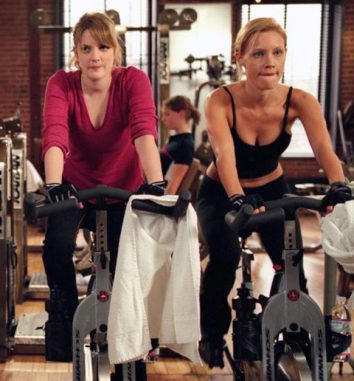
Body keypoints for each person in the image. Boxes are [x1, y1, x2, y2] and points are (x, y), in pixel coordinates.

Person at [197, 17, 351, 368]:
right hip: (221, 192)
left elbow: (326, 152)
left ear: (284, 57)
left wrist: (338, 185)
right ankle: (212, 334)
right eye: (259, 53)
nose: (269, 61)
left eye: (277, 53)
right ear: (240, 58)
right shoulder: (220, 101)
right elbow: (224, 156)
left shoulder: (300, 101)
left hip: (272, 190)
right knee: (223, 257)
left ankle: (299, 331)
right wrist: (237, 199)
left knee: (290, 259)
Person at [41, 12, 166, 362]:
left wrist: (155, 183)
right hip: (75, 186)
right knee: (56, 246)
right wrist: (53, 184)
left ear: (115, 51)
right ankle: (64, 314)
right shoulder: (61, 84)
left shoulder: (133, 80)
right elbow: (55, 134)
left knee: (125, 260)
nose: (95, 55)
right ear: (76, 54)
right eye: (86, 48)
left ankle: (133, 326)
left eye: (103, 46)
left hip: (123, 187)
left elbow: (143, 130)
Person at [160, 95, 198, 195]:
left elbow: (174, 183)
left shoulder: (185, 144)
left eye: (167, 114)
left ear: (181, 114)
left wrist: (163, 206)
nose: (163, 119)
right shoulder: (176, 140)